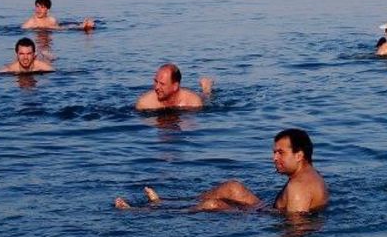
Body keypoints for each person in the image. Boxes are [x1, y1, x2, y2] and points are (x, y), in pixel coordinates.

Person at [115, 128, 329, 214]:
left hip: (266, 215)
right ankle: (164, 202)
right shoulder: (304, 176)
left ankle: (143, 212)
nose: (274, 158)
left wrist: (246, 215)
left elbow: (295, 231)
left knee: (212, 205)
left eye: (280, 153)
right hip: (269, 209)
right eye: (274, 152)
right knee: (232, 187)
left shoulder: (299, 187)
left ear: (299, 155)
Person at [134, 63, 213, 110]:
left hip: (191, 97)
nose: (156, 87)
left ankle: (206, 87)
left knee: (205, 96)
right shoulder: (145, 104)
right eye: (155, 82)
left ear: (175, 86)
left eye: (162, 84)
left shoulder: (192, 102)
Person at [22, 0, 96, 31]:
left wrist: (79, 26)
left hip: (48, 37)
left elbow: (59, 28)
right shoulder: (31, 22)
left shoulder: (52, 20)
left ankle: (85, 25)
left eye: (42, 7)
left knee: (87, 29)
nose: (39, 10)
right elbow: (22, 29)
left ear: (48, 9)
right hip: (38, 42)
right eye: (37, 7)